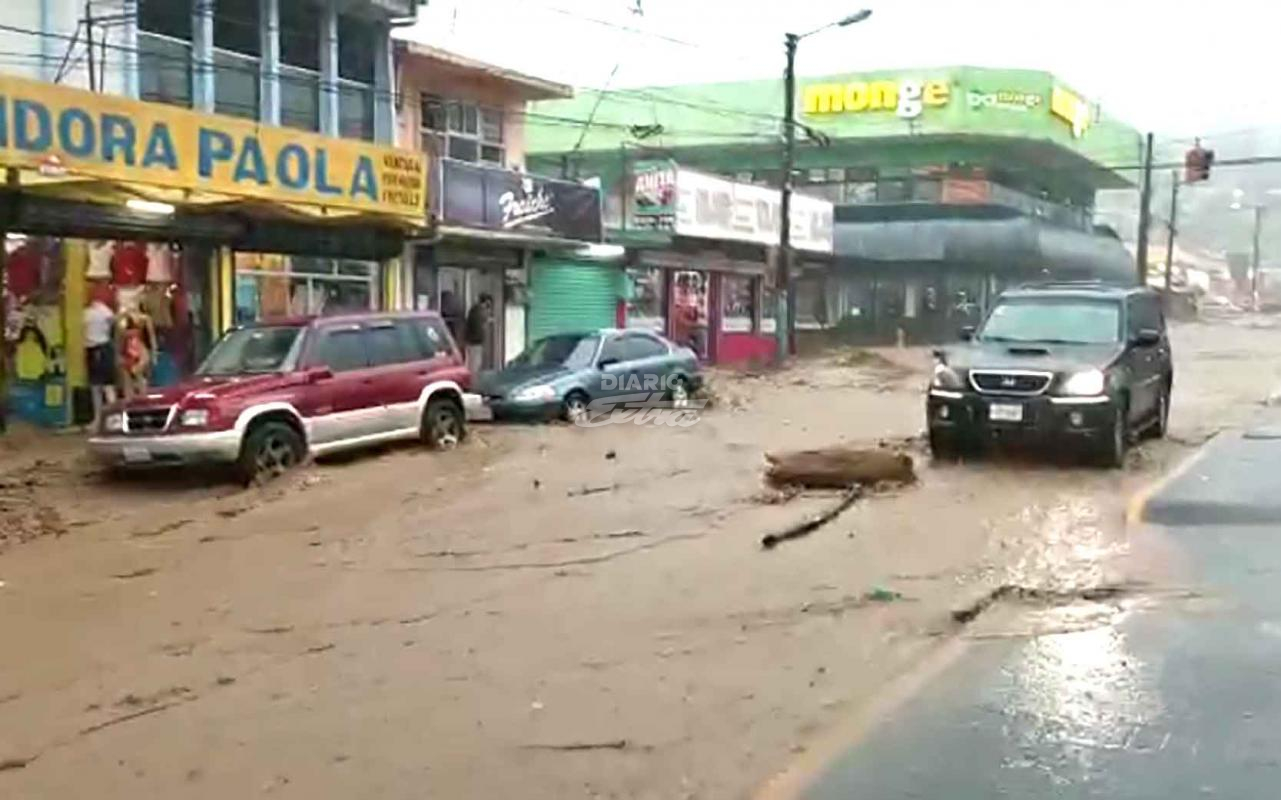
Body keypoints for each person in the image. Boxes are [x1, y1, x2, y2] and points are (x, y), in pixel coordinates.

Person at [83, 294, 116, 423]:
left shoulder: (102, 309)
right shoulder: (84, 312)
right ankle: (98, 418)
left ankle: (112, 416)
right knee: (96, 386)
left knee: (106, 385)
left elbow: (113, 321)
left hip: (101, 347)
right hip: (92, 349)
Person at [464, 293, 492, 369]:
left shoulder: (475, 310)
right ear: (486, 302)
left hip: (472, 341)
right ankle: (473, 379)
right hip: (475, 341)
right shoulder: (479, 311)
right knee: (475, 364)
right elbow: (480, 324)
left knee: (473, 363)